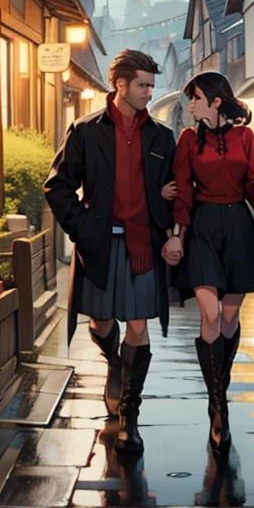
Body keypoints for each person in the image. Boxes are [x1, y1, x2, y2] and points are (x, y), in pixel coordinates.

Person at [44, 50, 176, 455]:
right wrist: (81, 228)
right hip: (99, 241)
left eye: (152, 86)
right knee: (101, 323)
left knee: (138, 326)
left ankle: (129, 419)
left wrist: (168, 212)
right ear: (120, 85)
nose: (149, 93)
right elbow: (57, 186)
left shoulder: (161, 135)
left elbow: (176, 188)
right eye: (143, 85)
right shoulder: (85, 131)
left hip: (143, 243)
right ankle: (116, 365)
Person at [162, 71, 254, 456]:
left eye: (195, 98)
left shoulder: (244, 137)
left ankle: (219, 395)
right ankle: (219, 409)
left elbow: (253, 190)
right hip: (202, 228)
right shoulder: (187, 139)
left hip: (238, 228)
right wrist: (176, 235)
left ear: (216, 101)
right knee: (212, 315)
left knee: (229, 320)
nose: (190, 105)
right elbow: (183, 190)